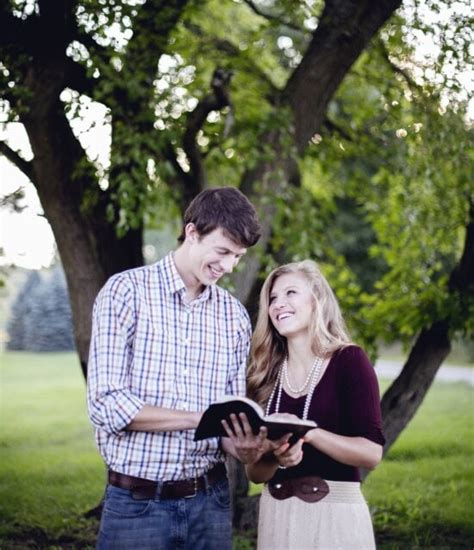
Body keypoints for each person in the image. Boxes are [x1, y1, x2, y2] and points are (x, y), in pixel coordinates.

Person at [87, 186, 273, 550]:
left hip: (211, 505)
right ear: (192, 233)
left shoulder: (233, 316)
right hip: (137, 507)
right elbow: (106, 405)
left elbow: (228, 420)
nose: (229, 266)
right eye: (222, 251)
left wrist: (246, 448)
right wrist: (198, 417)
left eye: (237, 256)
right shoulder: (125, 292)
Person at [242, 260, 385, 550]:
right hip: (276, 517)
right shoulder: (265, 374)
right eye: (272, 298)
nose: (278, 304)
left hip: (335, 517)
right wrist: (274, 455)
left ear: (317, 298)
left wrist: (308, 433)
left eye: (290, 293)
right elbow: (255, 474)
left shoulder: (349, 361)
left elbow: (371, 453)